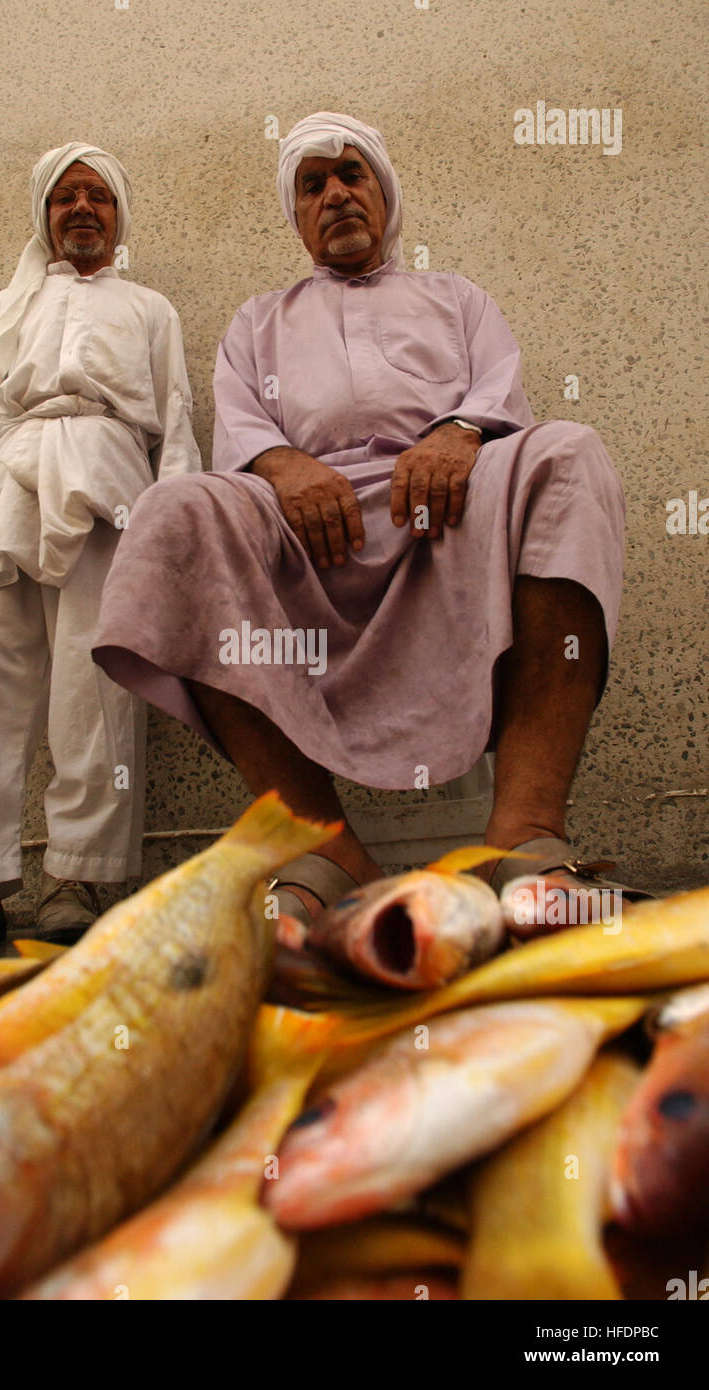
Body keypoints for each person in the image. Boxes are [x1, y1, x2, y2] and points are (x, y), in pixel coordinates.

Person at [93, 112, 645, 925]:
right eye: (313, 185)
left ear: (383, 193)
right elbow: (242, 432)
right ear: (297, 215)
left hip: (449, 511)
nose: (337, 195)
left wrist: (459, 432)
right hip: (305, 527)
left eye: (352, 175)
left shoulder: (456, 298)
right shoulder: (257, 321)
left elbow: (501, 398)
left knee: (567, 454)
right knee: (177, 511)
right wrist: (281, 466)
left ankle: (526, 839)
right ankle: (322, 849)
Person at [0, 141, 201, 951]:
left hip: (109, 484)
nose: (83, 209)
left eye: (99, 196)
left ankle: (82, 874)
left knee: (92, 683)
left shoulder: (150, 308)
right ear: (44, 215)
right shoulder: (3, 308)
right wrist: (14, 475)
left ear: (119, 214)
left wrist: (175, 533)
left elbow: (176, 424)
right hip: (13, 486)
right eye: (66, 199)